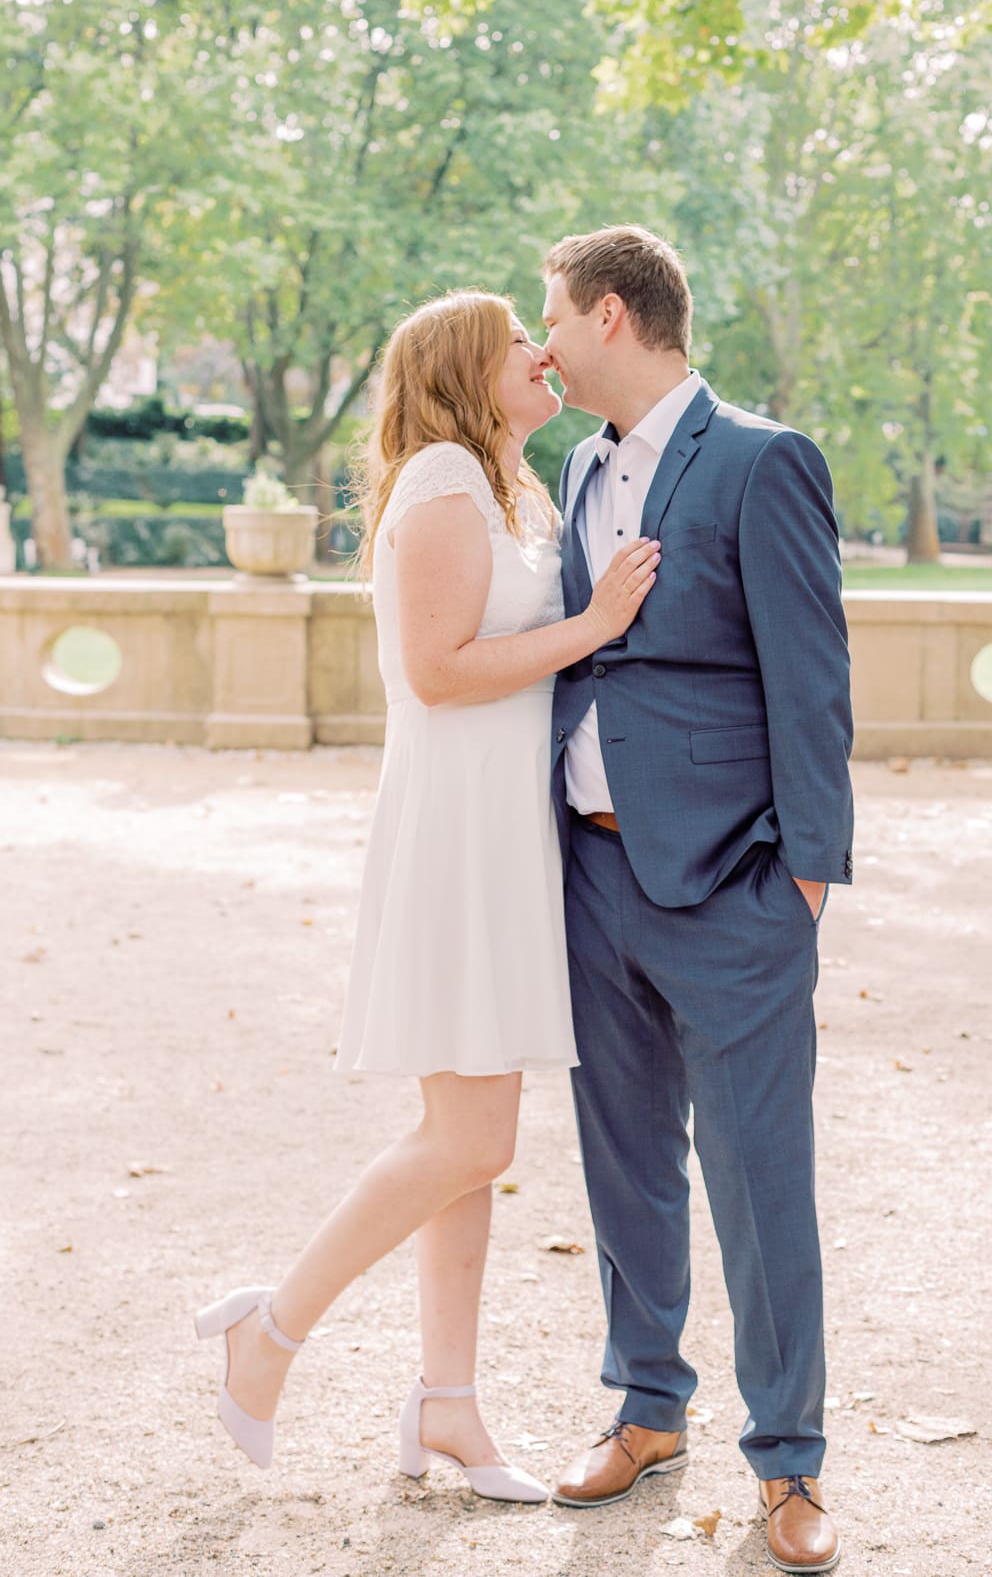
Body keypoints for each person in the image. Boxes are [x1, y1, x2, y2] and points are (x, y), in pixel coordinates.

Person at [195, 290, 660, 1501]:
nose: (539, 352)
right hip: (456, 837)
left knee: (473, 1151)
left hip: (510, 834)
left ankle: (446, 1405)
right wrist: (599, 620)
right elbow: (438, 673)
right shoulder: (443, 476)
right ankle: (274, 1327)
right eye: (518, 340)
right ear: (467, 368)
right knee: (472, 1136)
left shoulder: (516, 487)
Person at [541, 228, 853, 1575]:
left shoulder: (761, 457)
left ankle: (788, 1459)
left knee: (756, 1172)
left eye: (550, 315)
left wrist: (803, 877)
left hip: (732, 883)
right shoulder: (575, 462)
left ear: (610, 315)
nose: (539, 340)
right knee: (621, 1160)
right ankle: (646, 1402)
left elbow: (811, 676)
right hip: (590, 868)